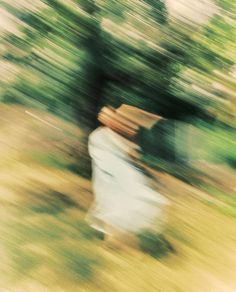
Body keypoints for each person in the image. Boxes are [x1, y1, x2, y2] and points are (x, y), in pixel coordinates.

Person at [86, 105, 169, 249]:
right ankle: (111, 241)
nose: (101, 115)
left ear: (114, 118)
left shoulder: (123, 138)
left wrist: (147, 173)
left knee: (123, 206)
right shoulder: (98, 135)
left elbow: (133, 159)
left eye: (106, 114)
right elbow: (98, 154)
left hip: (121, 177)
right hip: (105, 176)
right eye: (101, 113)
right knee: (107, 206)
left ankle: (125, 241)